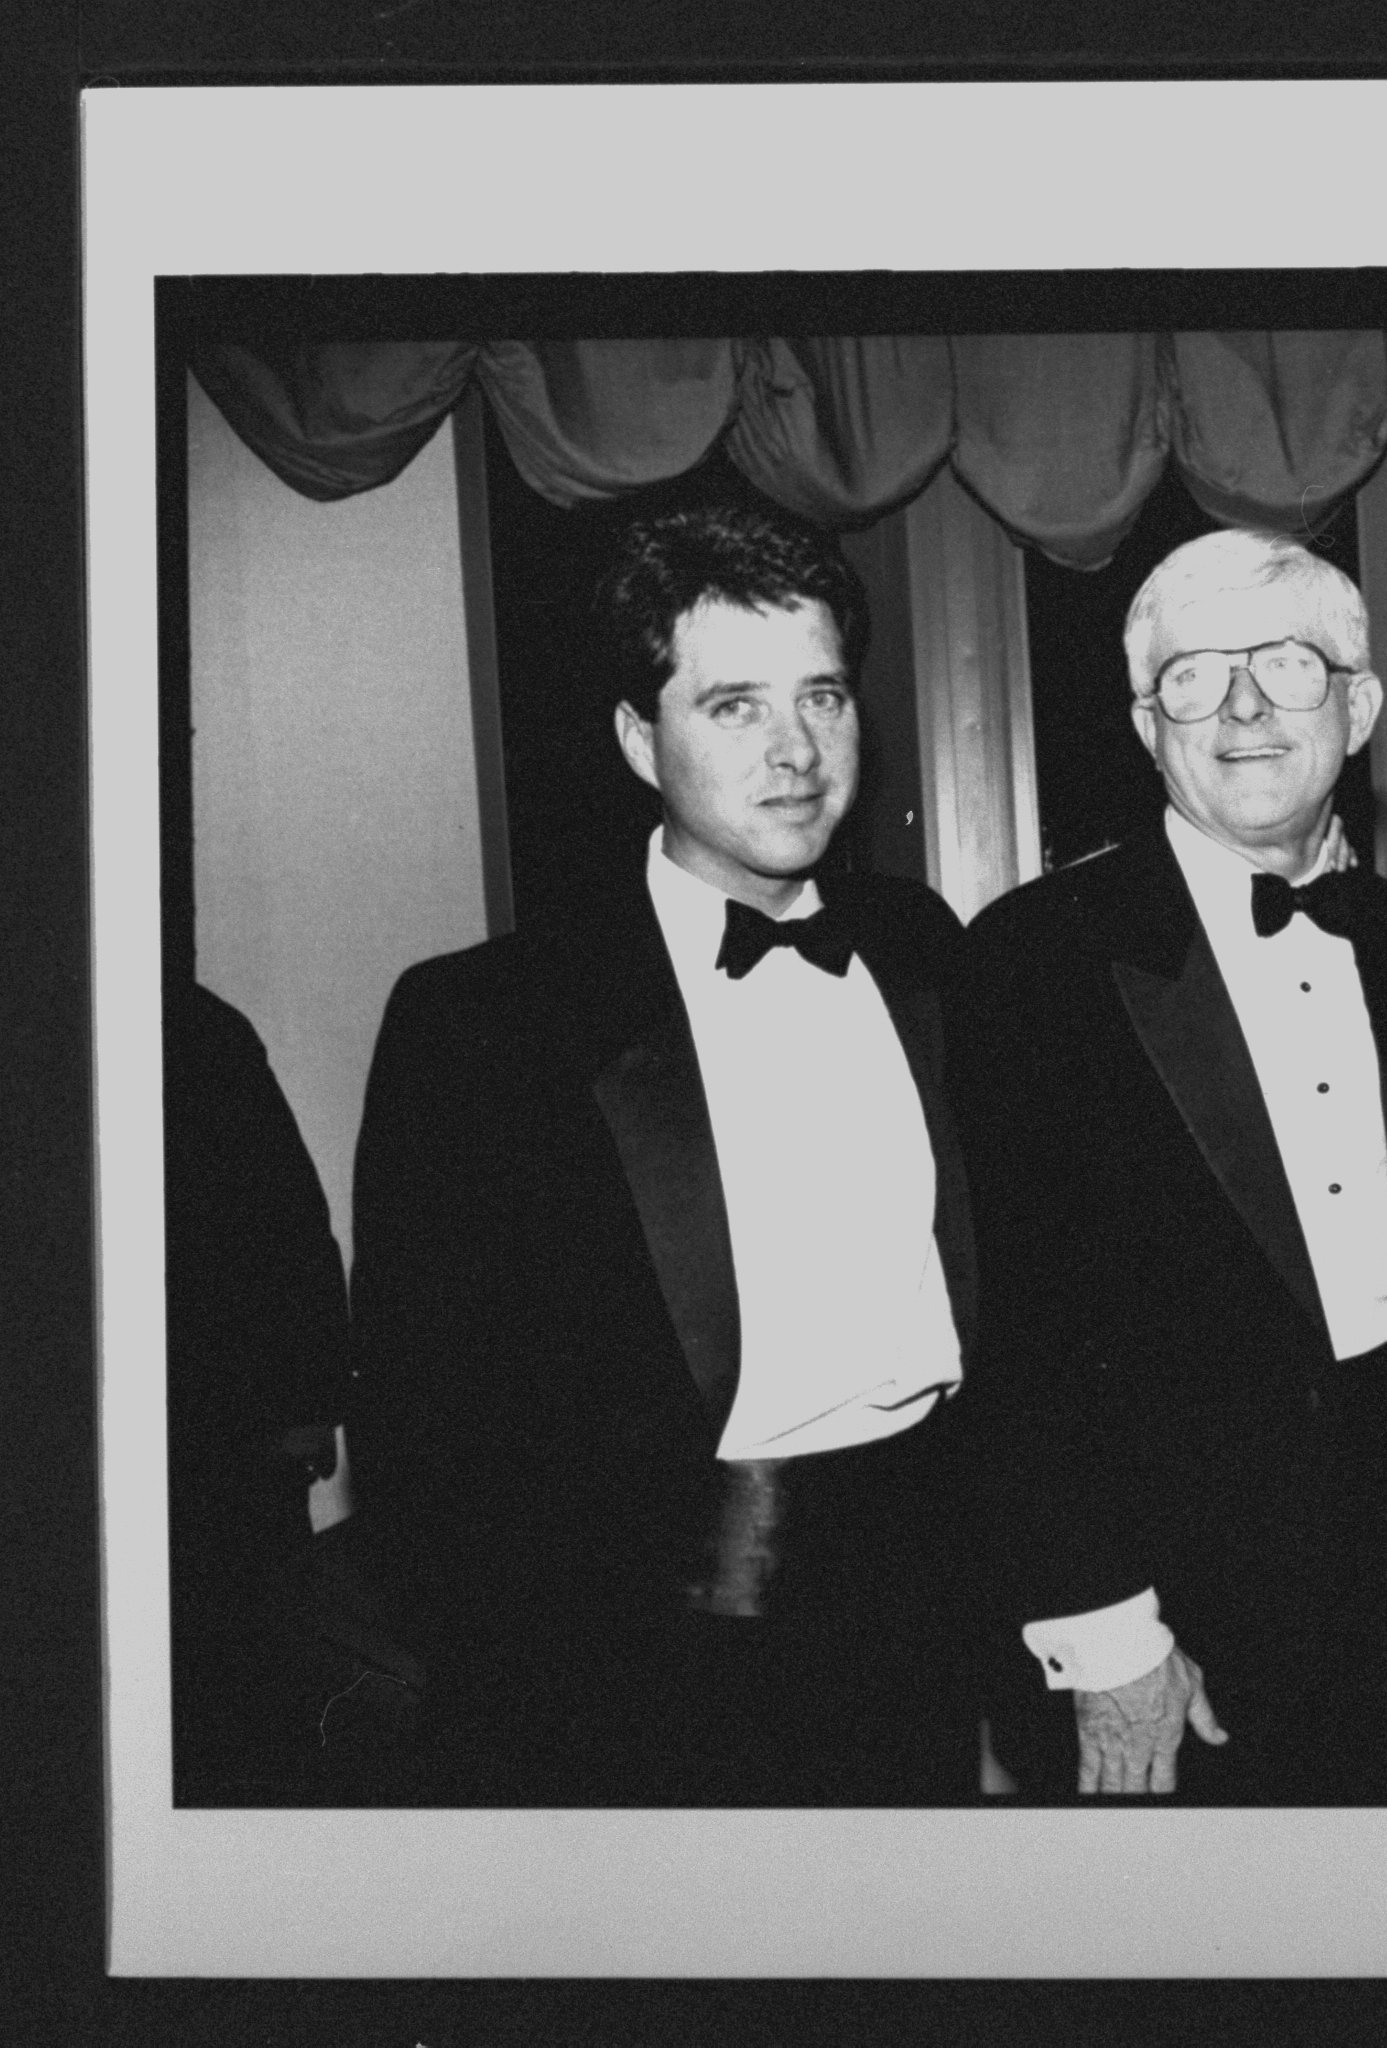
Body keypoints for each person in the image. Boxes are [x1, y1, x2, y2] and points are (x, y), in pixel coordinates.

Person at [347, 499, 980, 1805]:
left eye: (825, 696)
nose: (798, 749)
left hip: (934, 1609)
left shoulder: (928, 951)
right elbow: (421, 1430)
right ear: (642, 739)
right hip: (636, 1663)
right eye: (735, 705)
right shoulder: (484, 1023)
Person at [949, 527, 1387, 1802]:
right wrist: (1107, 1634)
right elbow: (1007, 1329)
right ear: (1142, 720)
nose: (1239, 707)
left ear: (1361, 704)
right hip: (1163, 1621)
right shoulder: (1029, 961)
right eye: (1192, 676)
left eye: (1286, 666)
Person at [165, 979, 350, 1802]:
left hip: (223, 1426)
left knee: (246, 1690)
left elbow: (288, 1224)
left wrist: (307, 1408)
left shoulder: (195, 1028)